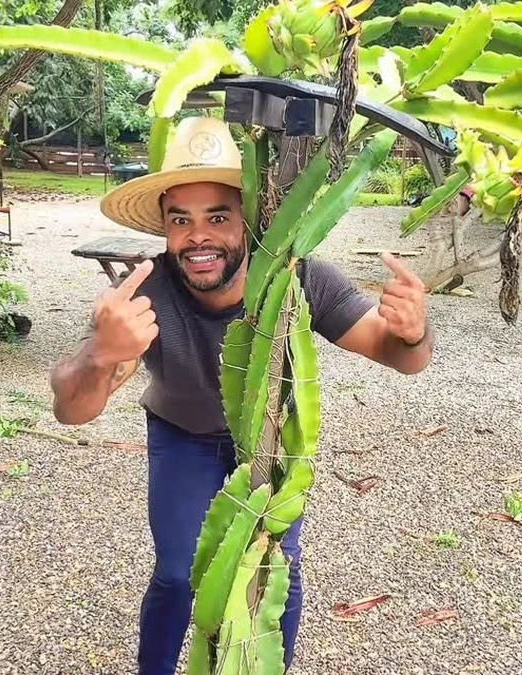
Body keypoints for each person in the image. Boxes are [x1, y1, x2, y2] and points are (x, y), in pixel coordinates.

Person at [50, 117, 435, 674]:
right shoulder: (143, 293)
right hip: (182, 436)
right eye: (180, 219)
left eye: (218, 217)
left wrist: (413, 330)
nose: (198, 236)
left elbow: (403, 357)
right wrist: (101, 354)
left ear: (251, 221)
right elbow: (72, 409)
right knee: (181, 571)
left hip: (272, 444)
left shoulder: (298, 278)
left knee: (276, 563)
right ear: (164, 228)